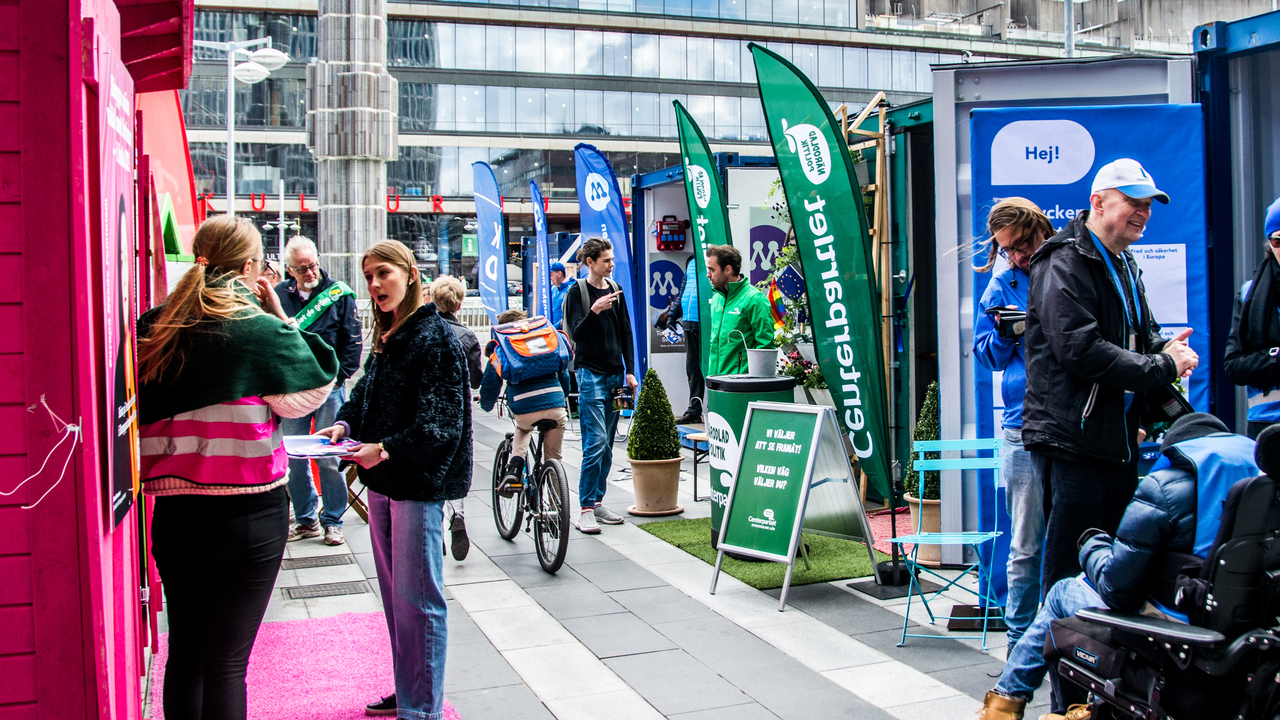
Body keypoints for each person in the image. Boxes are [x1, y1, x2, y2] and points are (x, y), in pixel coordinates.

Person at [137, 215, 338, 719]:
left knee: (185, 653)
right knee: (226, 662)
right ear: (251, 267)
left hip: (176, 514)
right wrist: (281, 315)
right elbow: (308, 394)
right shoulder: (259, 331)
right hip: (249, 513)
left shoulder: (154, 326)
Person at [978, 413, 1259, 720]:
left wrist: (1091, 547)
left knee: (1062, 592)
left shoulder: (1164, 489)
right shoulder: (1262, 492)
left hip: (1174, 630)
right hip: (1242, 635)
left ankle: (1004, 703)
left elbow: (1117, 591)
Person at [1023, 158, 1199, 598]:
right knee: (1068, 571)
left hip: (1116, 442)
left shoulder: (1123, 262)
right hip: (1072, 443)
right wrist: (1162, 366)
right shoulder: (1063, 261)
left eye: (1149, 205)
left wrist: (1167, 351)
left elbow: (1140, 336)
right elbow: (1079, 350)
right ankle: (1045, 666)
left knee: (1113, 572)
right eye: (1133, 202)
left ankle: (1100, 662)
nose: (1143, 212)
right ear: (1098, 203)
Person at [318, 240, 471, 720]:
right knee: (399, 603)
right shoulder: (391, 335)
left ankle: (420, 708)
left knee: (419, 605)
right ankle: (410, 693)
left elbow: (441, 425)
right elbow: (365, 394)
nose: (374, 284)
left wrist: (383, 448)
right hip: (384, 483)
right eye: (368, 276)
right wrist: (344, 426)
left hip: (416, 487)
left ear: (409, 274)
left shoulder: (435, 338)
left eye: (382, 273)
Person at [973, 198, 1055, 652]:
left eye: (1022, 244)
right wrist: (1006, 332)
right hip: (1022, 426)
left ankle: (1075, 635)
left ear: (1039, 226)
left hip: (1073, 422)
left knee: (1079, 537)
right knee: (1025, 546)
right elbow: (987, 357)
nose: (1018, 256)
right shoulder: (1001, 284)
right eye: (1008, 250)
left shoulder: (1071, 266)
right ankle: (1020, 645)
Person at [275, 236, 362, 546]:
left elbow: (352, 340)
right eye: (301, 268)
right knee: (293, 456)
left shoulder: (338, 293)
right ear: (290, 270)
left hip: (328, 388)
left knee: (328, 455)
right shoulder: (279, 296)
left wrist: (339, 378)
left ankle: (333, 519)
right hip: (292, 391)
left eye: (312, 265)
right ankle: (306, 518)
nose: (310, 272)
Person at [562, 238, 637, 534]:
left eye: (611, 259)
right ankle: (584, 509)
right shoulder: (576, 292)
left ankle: (597, 501)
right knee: (594, 442)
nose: (611, 264)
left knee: (609, 440)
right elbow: (577, 335)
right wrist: (594, 309)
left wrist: (630, 371)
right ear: (590, 262)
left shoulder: (616, 290)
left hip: (615, 376)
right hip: (590, 374)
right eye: (606, 260)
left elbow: (627, 333)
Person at [481, 308, 571, 494]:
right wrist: (563, 396)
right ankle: (558, 504)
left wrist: (486, 404)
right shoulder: (543, 340)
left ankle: (515, 467)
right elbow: (563, 373)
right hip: (555, 404)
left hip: (523, 408)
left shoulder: (503, 347)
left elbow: (491, 383)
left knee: (523, 428)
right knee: (554, 458)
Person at [431, 275, 483, 561]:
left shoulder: (425, 332)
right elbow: (475, 381)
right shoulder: (467, 337)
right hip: (459, 414)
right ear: (460, 304)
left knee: (433, 469)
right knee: (456, 467)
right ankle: (458, 513)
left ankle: (434, 526)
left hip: (429, 412)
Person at [1224, 197, 1280, 439]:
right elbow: (1234, 366)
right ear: (1269, 243)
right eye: (1278, 240)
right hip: (1267, 427)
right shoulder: (1250, 293)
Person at [704, 244, 773, 376]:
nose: (708, 275)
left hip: (742, 386)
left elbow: (765, 348)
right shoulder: (717, 299)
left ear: (728, 269)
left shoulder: (754, 299)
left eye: (712, 270)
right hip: (716, 382)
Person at [676, 255, 705, 424]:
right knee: (692, 368)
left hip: (705, 322)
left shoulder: (708, 258)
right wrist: (672, 315)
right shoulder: (691, 260)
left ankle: (714, 409)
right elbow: (683, 292)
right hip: (689, 322)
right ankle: (694, 410)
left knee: (710, 368)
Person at [549, 261, 573, 329]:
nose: (550, 278)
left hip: (564, 332)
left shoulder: (571, 288)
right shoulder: (554, 289)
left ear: (559, 273)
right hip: (553, 331)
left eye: (551, 275)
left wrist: (560, 324)